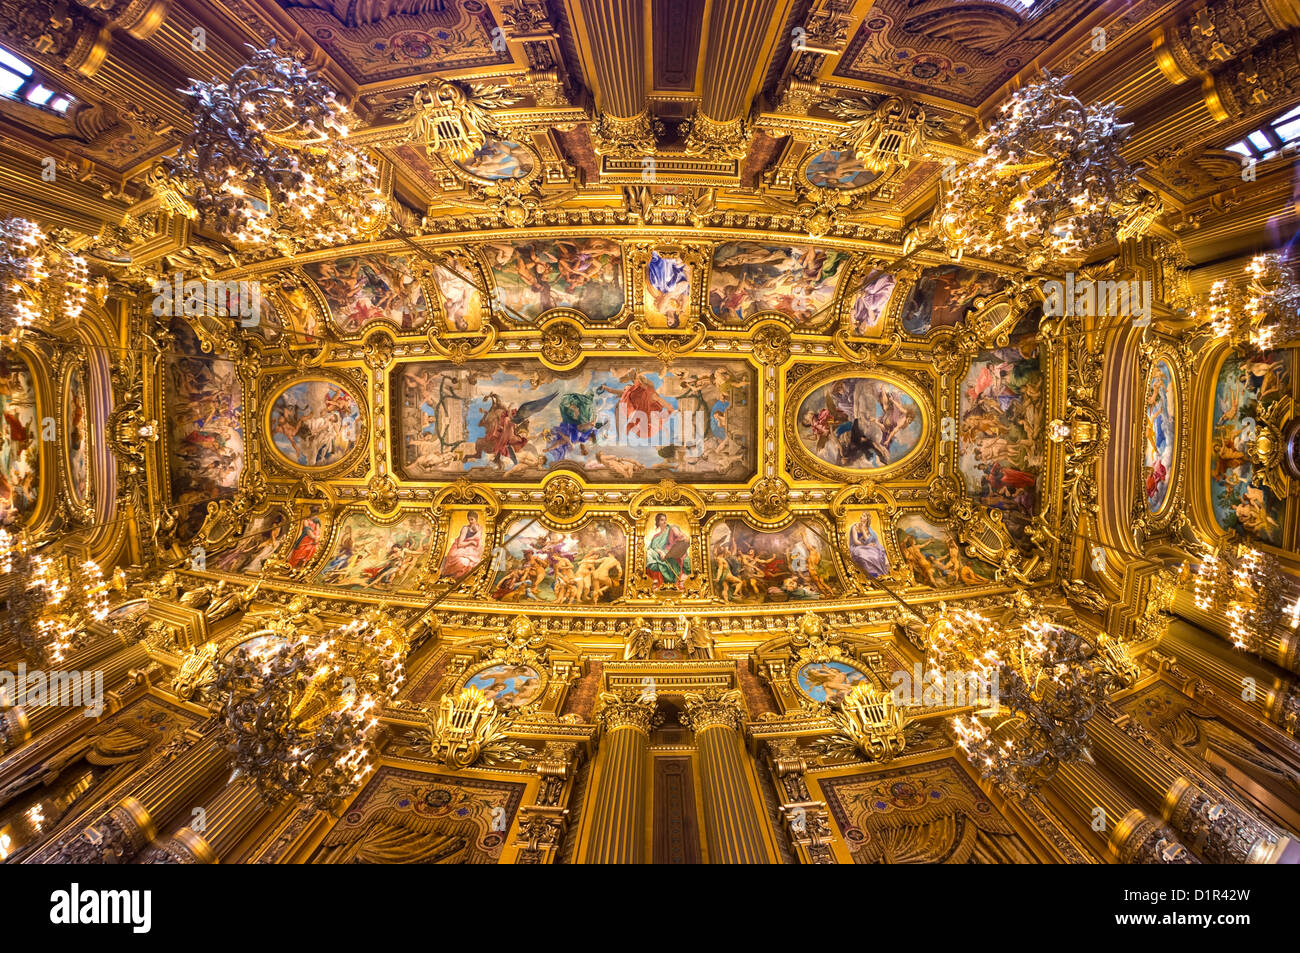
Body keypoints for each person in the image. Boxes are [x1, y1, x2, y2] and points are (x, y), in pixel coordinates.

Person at [645, 513, 691, 590]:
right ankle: (655, 580)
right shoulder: (655, 537)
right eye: (662, 520)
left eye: (665, 519)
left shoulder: (672, 528)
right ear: (658, 522)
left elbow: (683, 538)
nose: (665, 522)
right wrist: (660, 551)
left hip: (671, 554)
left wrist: (682, 538)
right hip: (659, 556)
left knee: (650, 553)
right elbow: (651, 547)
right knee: (649, 553)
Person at [440, 511, 484, 579]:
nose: (470, 521)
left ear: (476, 519)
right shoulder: (465, 528)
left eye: (472, 519)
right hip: (459, 549)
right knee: (464, 562)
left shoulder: (479, 528)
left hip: (472, 550)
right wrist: (471, 542)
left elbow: (479, 542)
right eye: (469, 520)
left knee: (476, 564)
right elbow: (460, 544)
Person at [847, 512, 890, 578]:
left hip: (867, 546)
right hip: (857, 547)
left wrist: (863, 530)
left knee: (876, 555)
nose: (861, 517)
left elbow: (867, 540)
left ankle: (877, 575)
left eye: (864, 516)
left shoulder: (869, 529)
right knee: (862, 555)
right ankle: (869, 575)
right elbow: (855, 541)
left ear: (867, 519)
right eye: (861, 515)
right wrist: (866, 545)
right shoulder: (855, 526)